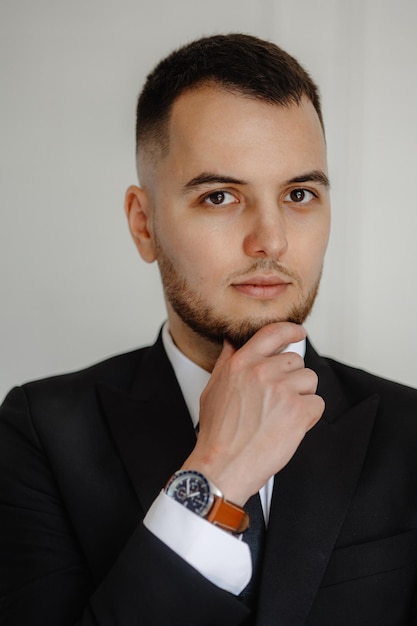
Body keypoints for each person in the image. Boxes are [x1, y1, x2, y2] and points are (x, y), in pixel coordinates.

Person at [1, 33, 416, 626]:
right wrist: (217, 476)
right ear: (144, 226)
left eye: (300, 194)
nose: (270, 240)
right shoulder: (39, 434)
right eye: (220, 196)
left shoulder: (409, 433)